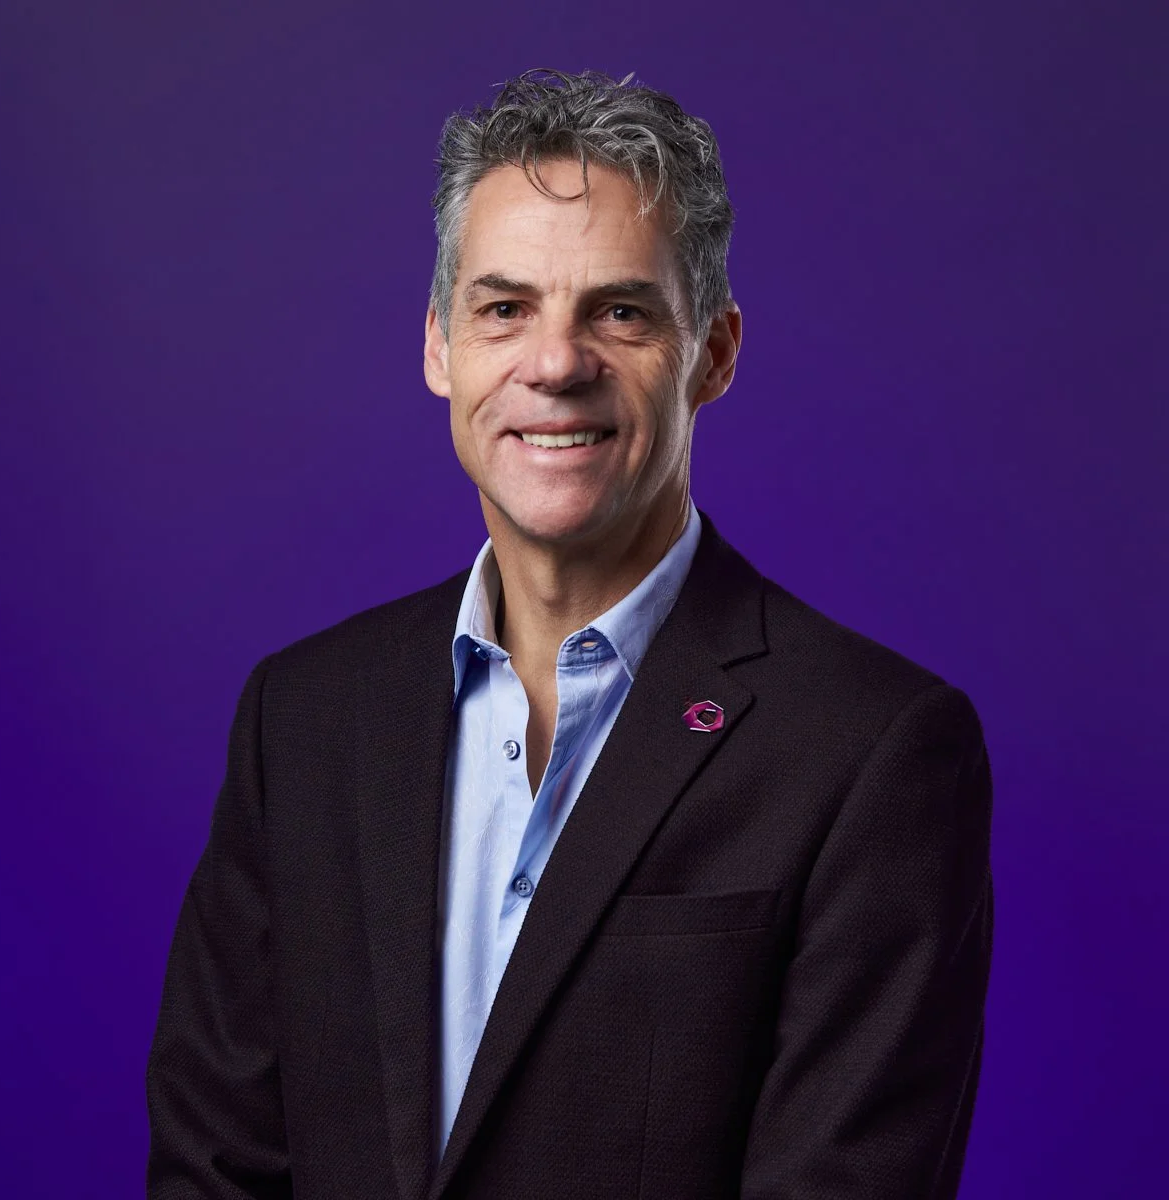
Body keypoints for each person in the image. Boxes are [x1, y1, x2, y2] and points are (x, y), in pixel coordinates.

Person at [147, 68, 993, 1199]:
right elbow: (214, 1169)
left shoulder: (872, 753)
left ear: (716, 353)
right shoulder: (299, 720)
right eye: (505, 309)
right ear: (442, 348)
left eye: (621, 311)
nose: (555, 364)